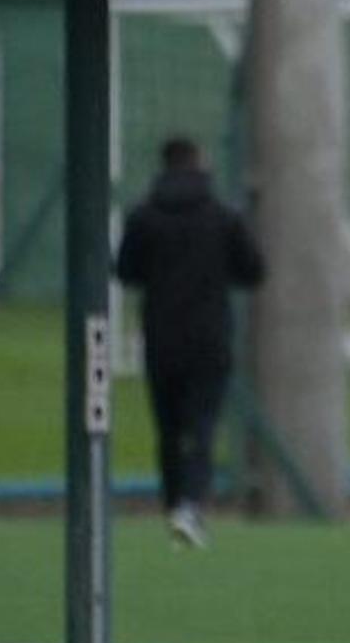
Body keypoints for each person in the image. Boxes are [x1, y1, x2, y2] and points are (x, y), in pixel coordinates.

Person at [113, 137, 264, 549]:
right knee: (201, 426)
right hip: (209, 338)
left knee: (167, 428)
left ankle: (172, 505)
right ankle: (191, 507)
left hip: (160, 337)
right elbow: (253, 270)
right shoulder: (222, 216)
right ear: (200, 165)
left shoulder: (143, 216)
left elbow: (126, 271)